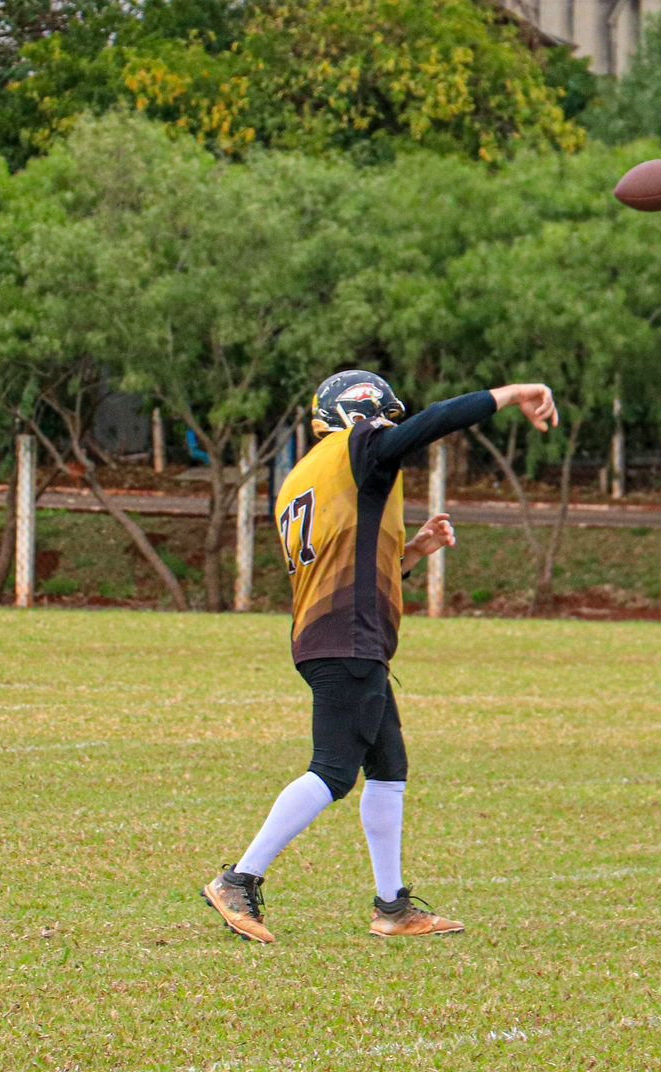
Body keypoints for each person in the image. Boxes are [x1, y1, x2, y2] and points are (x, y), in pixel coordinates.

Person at [202, 370, 558, 943]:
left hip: (335, 633)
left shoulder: (305, 476)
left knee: (388, 770)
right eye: (381, 417)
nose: (387, 429)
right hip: (347, 636)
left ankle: (392, 908)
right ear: (359, 413)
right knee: (334, 770)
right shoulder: (356, 447)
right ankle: (238, 879)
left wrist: (413, 549)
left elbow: (356, 561)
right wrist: (510, 395)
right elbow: (432, 422)